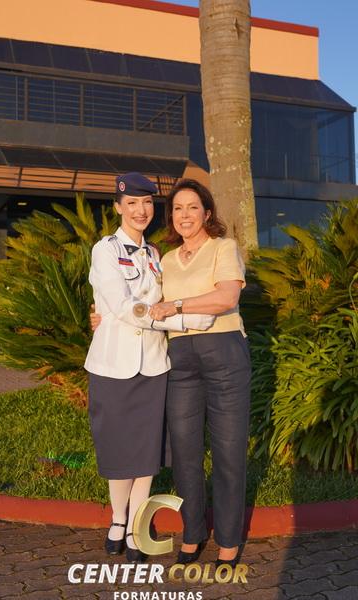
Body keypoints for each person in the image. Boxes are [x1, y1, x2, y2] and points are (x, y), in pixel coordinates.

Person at [84, 172, 213, 563]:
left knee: (145, 454)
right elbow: (125, 307)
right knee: (118, 449)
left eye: (146, 203)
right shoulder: (105, 250)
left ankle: (135, 527)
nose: (140, 210)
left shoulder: (156, 255)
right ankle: (117, 519)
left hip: (154, 365)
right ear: (118, 207)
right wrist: (184, 322)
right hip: (113, 364)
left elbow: (168, 297)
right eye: (132, 203)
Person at [149, 178, 251, 568]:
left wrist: (175, 305)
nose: (185, 215)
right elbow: (147, 304)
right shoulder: (166, 260)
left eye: (193, 207)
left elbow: (226, 297)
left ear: (207, 213)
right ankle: (192, 533)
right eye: (178, 208)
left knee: (228, 450)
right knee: (185, 451)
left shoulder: (223, 248)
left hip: (224, 353)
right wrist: (103, 316)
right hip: (180, 357)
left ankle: (228, 540)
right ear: (171, 217)